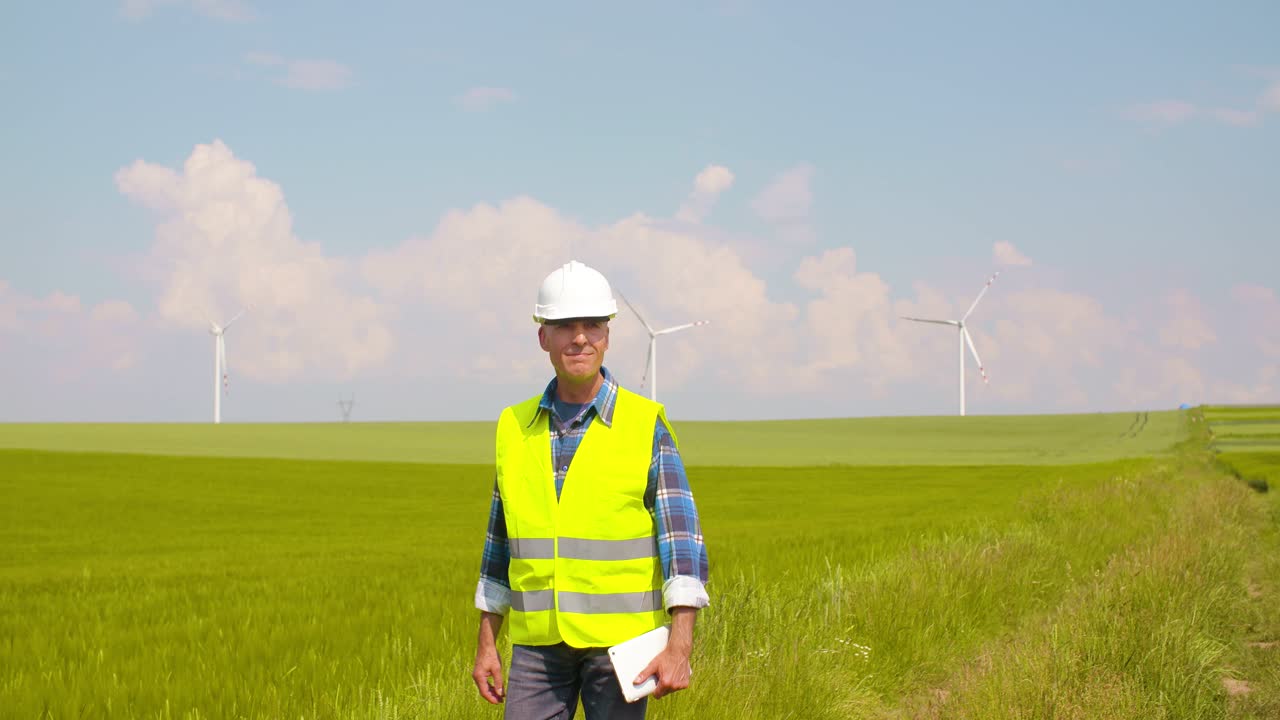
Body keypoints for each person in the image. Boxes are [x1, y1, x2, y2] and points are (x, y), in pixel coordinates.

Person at [471, 260, 710, 719]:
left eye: (592, 324)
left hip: (622, 650)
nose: (579, 337)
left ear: (608, 335)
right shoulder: (513, 427)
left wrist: (680, 645)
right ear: (543, 336)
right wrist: (486, 643)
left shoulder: (645, 425)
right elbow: (497, 547)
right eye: (564, 325)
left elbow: (682, 543)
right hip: (537, 648)